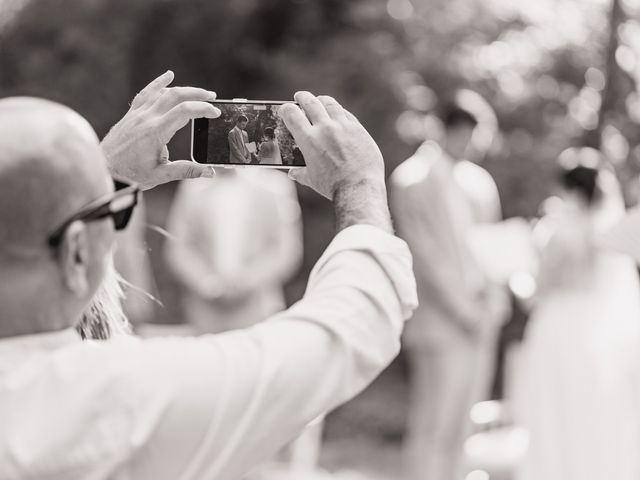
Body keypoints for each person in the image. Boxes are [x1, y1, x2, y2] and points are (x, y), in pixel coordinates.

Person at [0, 71, 417, 479]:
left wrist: (105, 176)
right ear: (76, 250)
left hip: (254, 301)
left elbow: (282, 250)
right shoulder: (125, 398)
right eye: (114, 213)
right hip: (210, 312)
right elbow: (349, 332)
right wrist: (360, 185)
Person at [390, 104, 509, 480]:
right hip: (439, 320)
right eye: (468, 134)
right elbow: (424, 255)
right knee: (433, 422)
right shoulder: (411, 178)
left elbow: (493, 247)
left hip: (481, 318)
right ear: (447, 129)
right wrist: (463, 311)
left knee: (465, 424)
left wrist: (492, 304)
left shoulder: (480, 182)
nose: (474, 144)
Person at [515, 149, 640, 480]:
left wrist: (516, 282)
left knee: (553, 413)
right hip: (597, 337)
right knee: (593, 413)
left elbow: (538, 290)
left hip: (557, 329)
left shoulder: (557, 231)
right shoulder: (612, 231)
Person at [164, 168, 302, 333]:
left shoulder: (275, 185)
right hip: (205, 314)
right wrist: (207, 283)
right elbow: (179, 247)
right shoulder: (192, 186)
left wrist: (247, 282)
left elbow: (285, 250)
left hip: (260, 310)